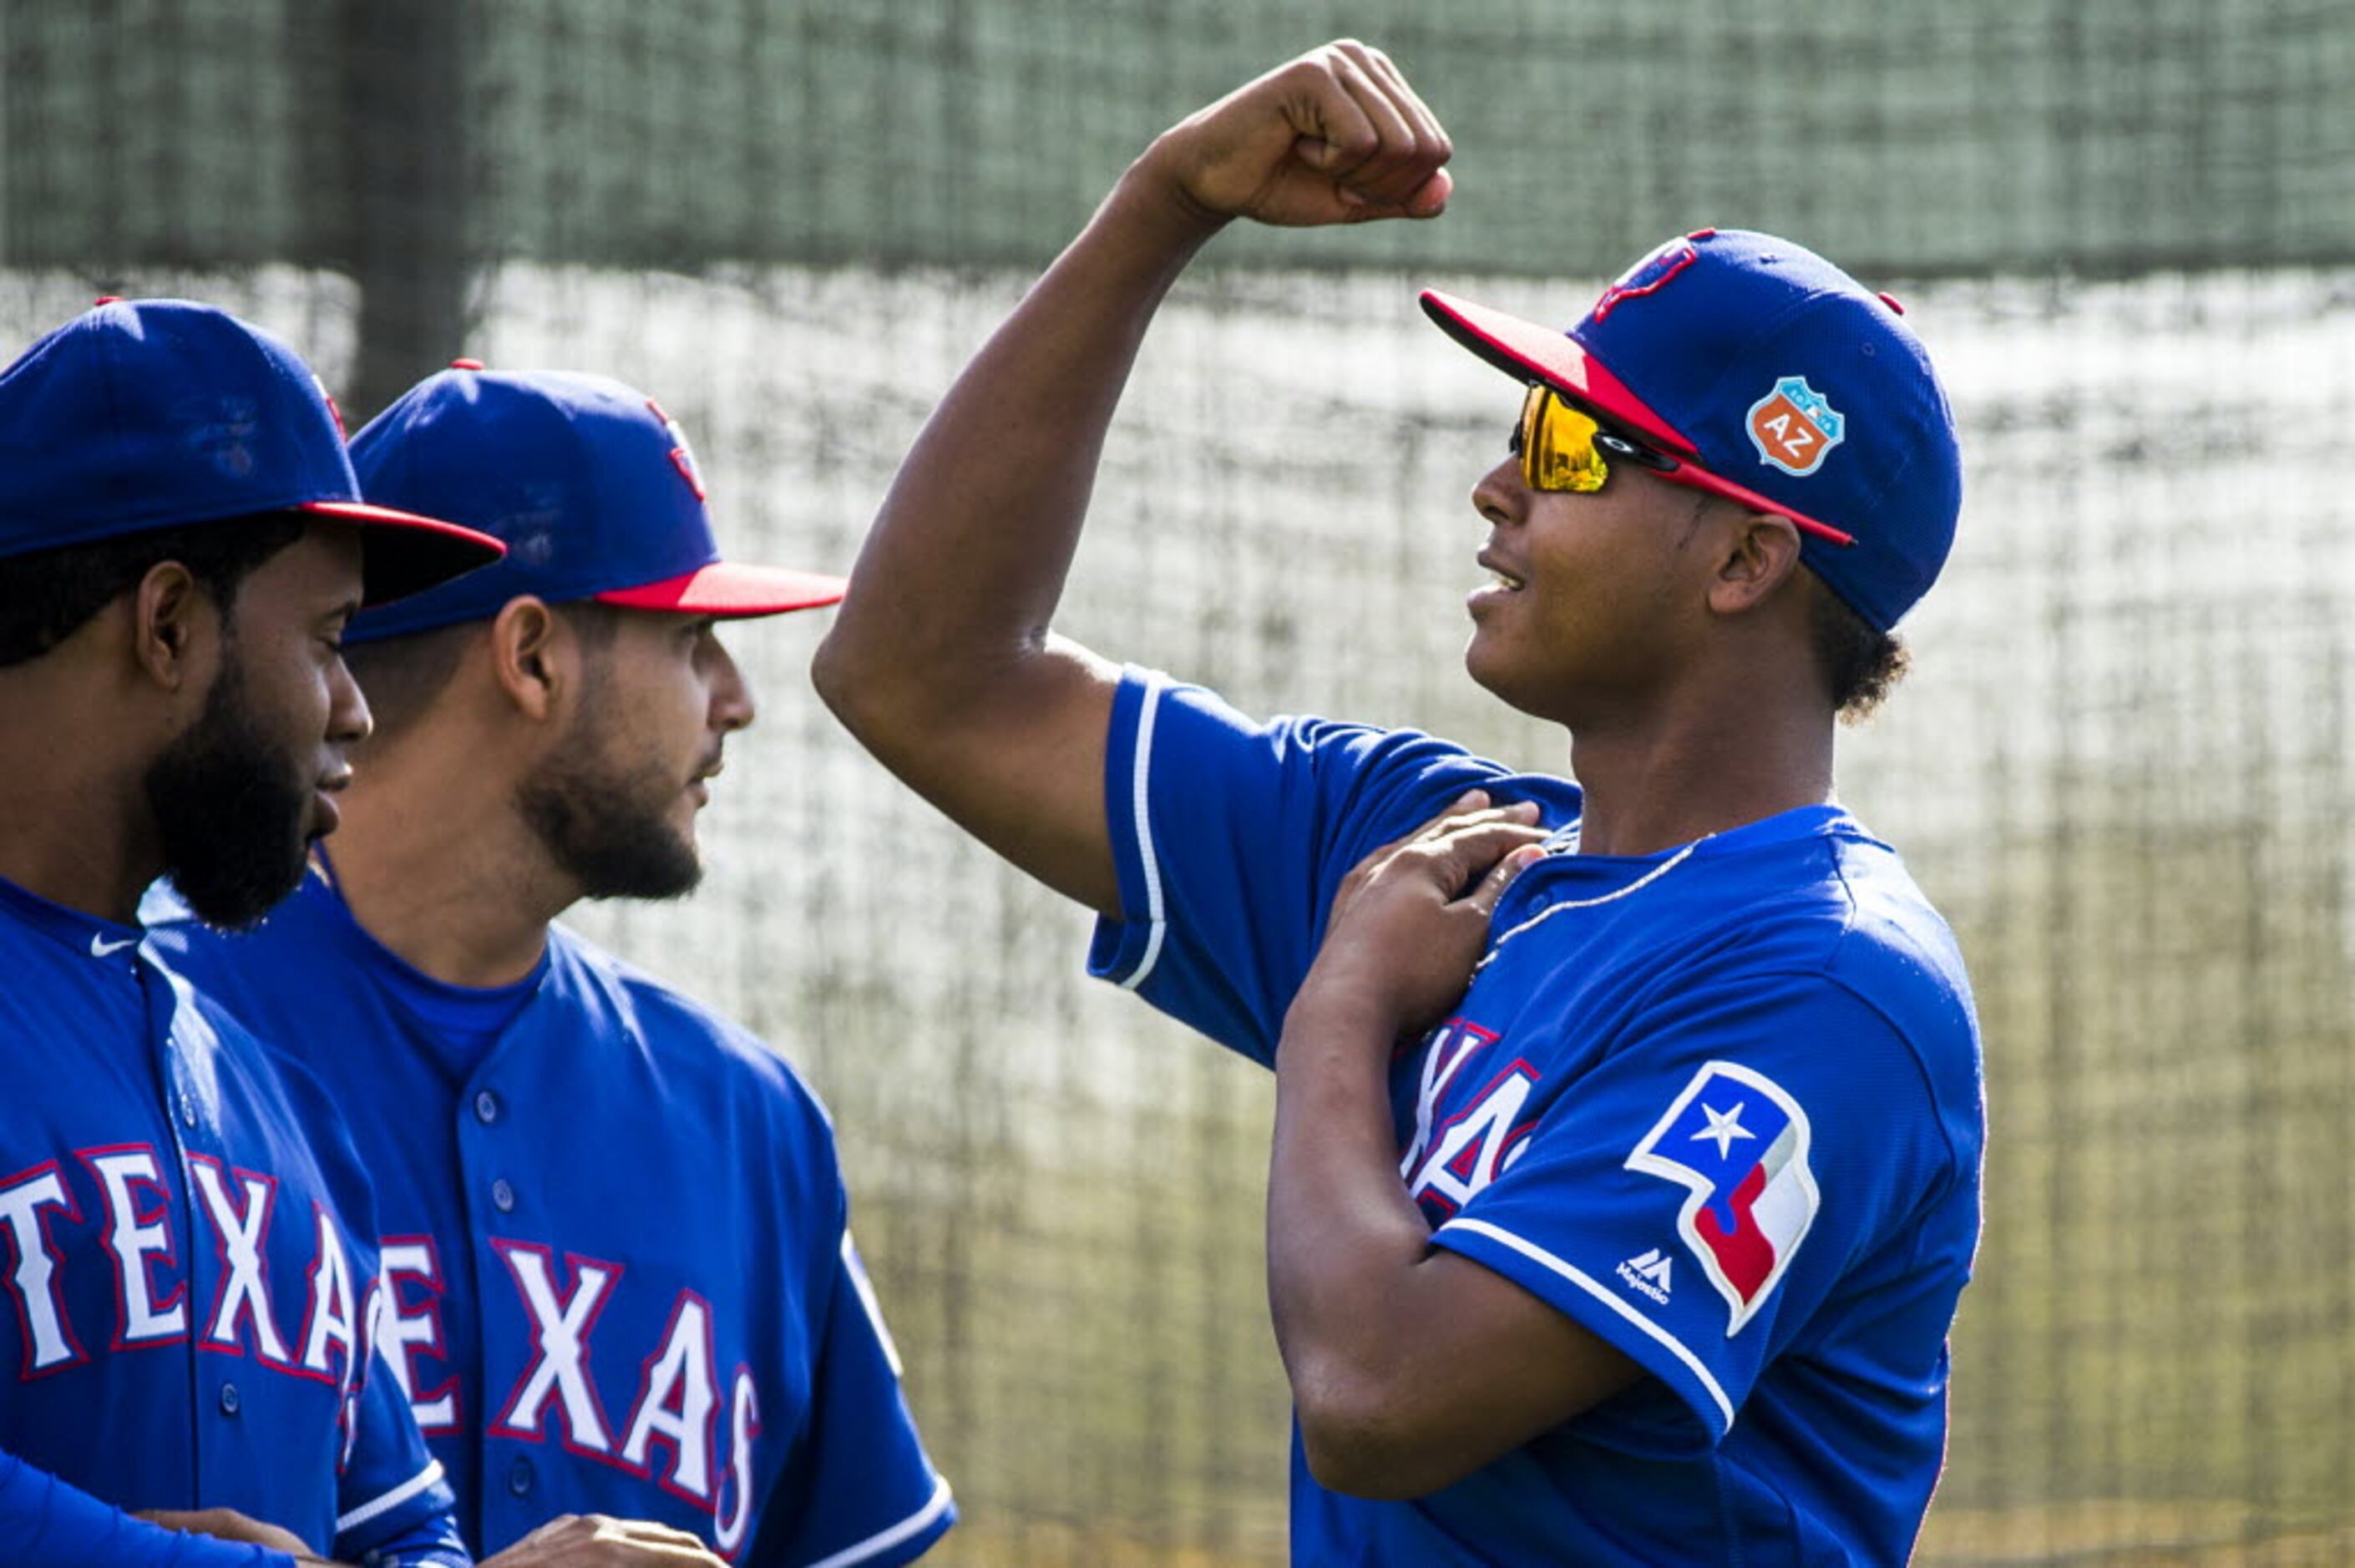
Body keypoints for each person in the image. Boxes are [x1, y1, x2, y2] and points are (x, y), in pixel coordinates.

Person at [811, 41, 1983, 1565]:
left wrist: (1340, 1008)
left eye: (1569, 444)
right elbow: (919, 673)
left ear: (1746, 558)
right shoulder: (1443, 851)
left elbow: (1380, 1393)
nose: (1499, 486)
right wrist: (1165, 206)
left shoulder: (1828, 985)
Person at [150, 364, 955, 1567]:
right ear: (530, 657)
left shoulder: (750, 1120)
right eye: (691, 639)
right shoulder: (149, 1027)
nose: (734, 700)